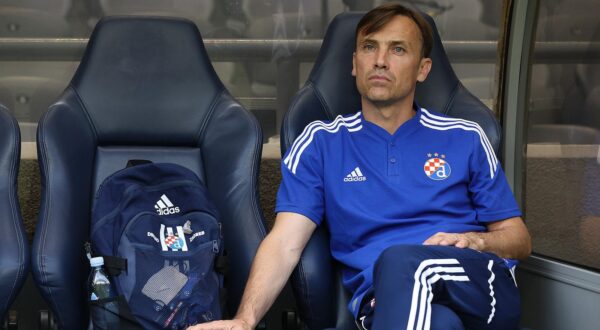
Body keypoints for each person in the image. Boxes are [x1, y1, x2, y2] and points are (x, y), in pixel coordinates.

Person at [188, 3, 531, 330]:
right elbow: (284, 243)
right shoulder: (321, 143)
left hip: (479, 286)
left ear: (423, 68)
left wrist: (475, 242)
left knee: (402, 263)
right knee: (435, 319)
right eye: (369, 47)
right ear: (354, 63)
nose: (380, 61)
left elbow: (517, 239)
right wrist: (244, 320)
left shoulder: (464, 136)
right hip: (385, 302)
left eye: (398, 49)